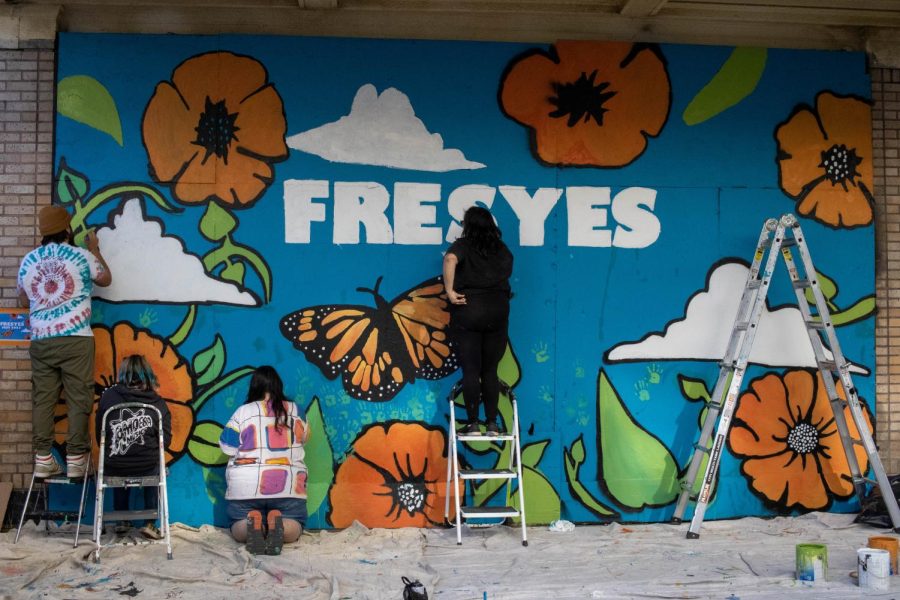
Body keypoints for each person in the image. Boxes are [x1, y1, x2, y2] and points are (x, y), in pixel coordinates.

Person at [18, 205, 111, 478]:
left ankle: (43, 458)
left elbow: (24, 299)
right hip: (76, 339)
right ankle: (75, 459)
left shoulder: (28, 261)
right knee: (79, 399)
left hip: (42, 340)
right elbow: (105, 278)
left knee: (43, 400)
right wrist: (94, 248)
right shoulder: (80, 255)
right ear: (67, 230)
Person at [219, 366, 310, 555]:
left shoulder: (243, 411)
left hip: (247, 487)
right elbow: (305, 438)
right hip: (288, 487)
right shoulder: (295, 410)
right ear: (278, 385)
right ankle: (282, 527)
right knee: (295, 523)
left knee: (237, 525)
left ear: (254, 387)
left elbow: (226, 447)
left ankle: (251, 526)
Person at [443, 206, 514, 436]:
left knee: (471, 370)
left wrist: (450, 291)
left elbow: (450, 259)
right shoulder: (501, 249)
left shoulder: (463, 246)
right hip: (497, 310)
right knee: (490, 370)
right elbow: (507, 269)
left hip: (469, 310)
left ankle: (473, 424)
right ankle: (492, 424)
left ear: (468, 225)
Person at [96, 354, 172, 540]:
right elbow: (166, 441)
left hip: (114, 467)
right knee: (155, 464)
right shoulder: (157, 402)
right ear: (147, 374)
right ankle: (149, 523)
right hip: (147, 466)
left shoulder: (108, 397)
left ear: (123, 373)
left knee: (118, 460)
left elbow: (101, 434)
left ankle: (121, 520)